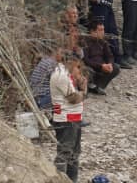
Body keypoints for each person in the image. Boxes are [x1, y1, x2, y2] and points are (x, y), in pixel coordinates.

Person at [50, 54, 86, 182]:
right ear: (71, 63)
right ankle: (60, 179)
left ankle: (71, 180)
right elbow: (73, 98)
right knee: (65, 151)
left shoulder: (65, 74)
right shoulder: (61, 76)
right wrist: (84, 91)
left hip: (72, 117)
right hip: (67, 119)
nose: (78, 70)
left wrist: (79, 81)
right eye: (77, 67)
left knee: (74, 152)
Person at [82, 20, 119, 95]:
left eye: (103, 30)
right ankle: (90, 86)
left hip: (102, 67)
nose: (103, 32)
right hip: (92, 67)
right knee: (88, 70)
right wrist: (100, 66)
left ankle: (98, 86)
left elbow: (109, 56)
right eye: (100, 30)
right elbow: (86, 60)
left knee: (116, 67)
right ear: (93, 31)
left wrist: (110, 64)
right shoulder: (85, 42)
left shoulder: (103, 42)